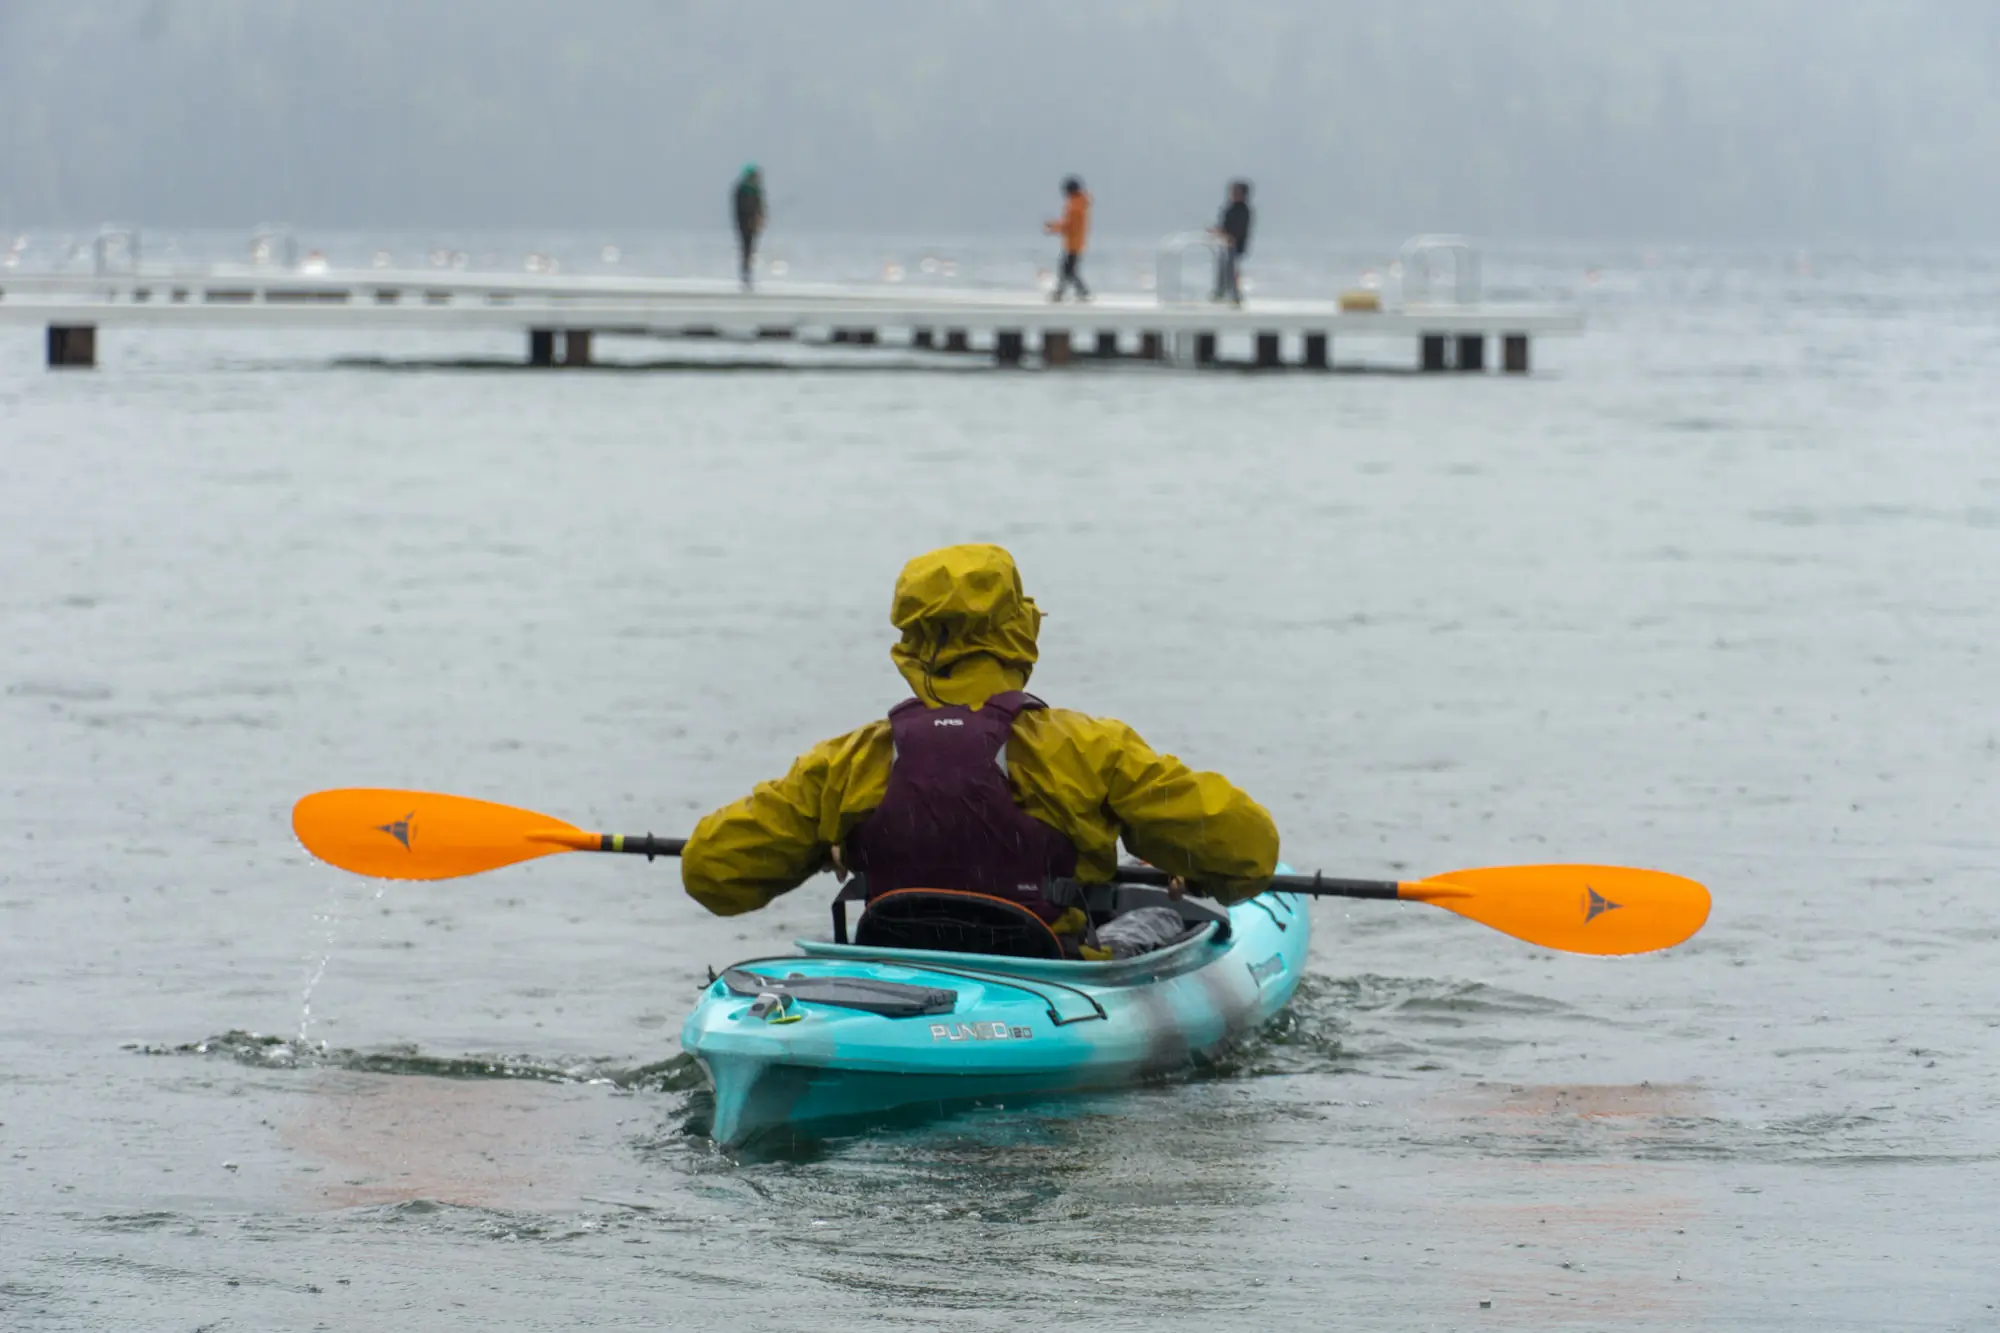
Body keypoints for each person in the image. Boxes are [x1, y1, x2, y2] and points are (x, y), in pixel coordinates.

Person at [680, 544, 1277, 958]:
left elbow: (712, 872)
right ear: (1019, 632)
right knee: (1164, 919)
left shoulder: (850, 761)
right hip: (1047, 973)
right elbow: (1249, 854)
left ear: (909, 643)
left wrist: (818, 845)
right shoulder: (1091, 749)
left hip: (898, 973)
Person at [1044, 176, 1091, 301]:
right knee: (1068, 270)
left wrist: (1053, 227)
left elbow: (1068, 225)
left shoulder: (1075, 207)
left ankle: (1072, 292)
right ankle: (1067, 292)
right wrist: (1054, 226)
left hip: (1073, 244)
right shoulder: (1079, 204)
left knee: (1067, 270)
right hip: (1075, 243)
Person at [1210, 179, 1252, 305]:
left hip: (1234, 244)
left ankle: (1233, 295)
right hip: (1225, 243)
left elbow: (1239, 229)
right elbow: (1226, 225)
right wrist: (1219, 232)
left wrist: (1229, 236)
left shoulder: (1243, 211)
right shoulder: (1231, 208)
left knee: (1231, 270)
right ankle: (1221, 292)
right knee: (1224, 268)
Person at [732, 164, 766, 290]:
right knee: (747, 248)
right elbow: (746, 208)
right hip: (746, 223)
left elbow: (759, 207)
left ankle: (746, 273)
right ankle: (746, 273)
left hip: (746, 223)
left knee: (747, 248)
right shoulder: (746, 190)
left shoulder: (748, 189)